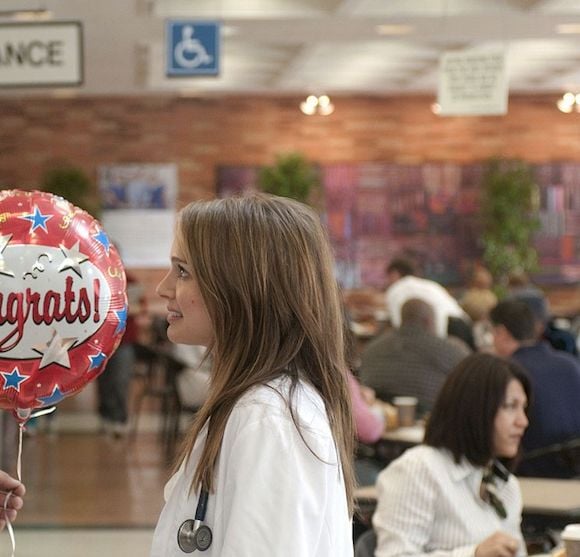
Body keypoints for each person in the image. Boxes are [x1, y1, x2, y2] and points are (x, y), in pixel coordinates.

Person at [150, 194, 355, 557]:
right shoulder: (253, 406)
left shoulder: (269, 418)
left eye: (182, 272)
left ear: (239, 287)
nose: (163, 288)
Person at [372, 353, 531, 557]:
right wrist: (473, 554)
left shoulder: (505, 485)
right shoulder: (418, 469)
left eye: (523, 408)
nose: (523, 421)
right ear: (474, 408)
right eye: (510, 407)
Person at [490, 299, 580, 477]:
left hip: (525, 476)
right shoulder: (571, 364)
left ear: (501, 333)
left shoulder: (503, 373)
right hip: (573, 475)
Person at [358, 298, 470, 415]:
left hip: (380, 418)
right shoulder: (451, 351)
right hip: (431, 419)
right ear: (428, 321)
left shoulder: (373, 348)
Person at [98, 271, 146, 437]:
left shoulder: (130, 281)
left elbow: (140, 308)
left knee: (121, 379)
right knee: (104, 382)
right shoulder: (97, 279)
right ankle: (106, 417)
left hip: (125, 342)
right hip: (102, 343)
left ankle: (120, 419)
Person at [384, 257, 470, 339]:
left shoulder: (396, 288)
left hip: (445, 331)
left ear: (395, 274)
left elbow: (400, 327)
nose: (387, 281)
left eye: (388, 277)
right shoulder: (428, 285)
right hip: (464, 328)